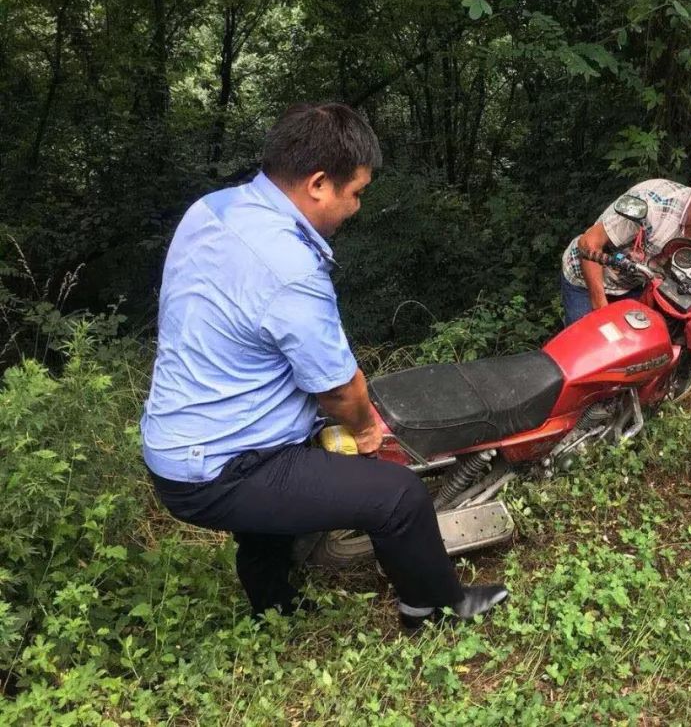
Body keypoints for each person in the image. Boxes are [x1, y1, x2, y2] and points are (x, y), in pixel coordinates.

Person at [140, 102, 508, 627]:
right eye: (355, 192)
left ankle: (275, 610)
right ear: (318, 184)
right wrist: (364, 432)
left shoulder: (214, 209)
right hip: (222, 464)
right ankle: (434, 608)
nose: (357, 207)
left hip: (177, 443)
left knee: (271, 513)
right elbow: (339, 390)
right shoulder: (288, 266)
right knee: (399, 496)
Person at [559, 162, 691, 324]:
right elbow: (588, 243)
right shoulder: (654, 203)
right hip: (584, 279)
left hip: (629, 286)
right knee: (590, 350)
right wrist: (602, 312)